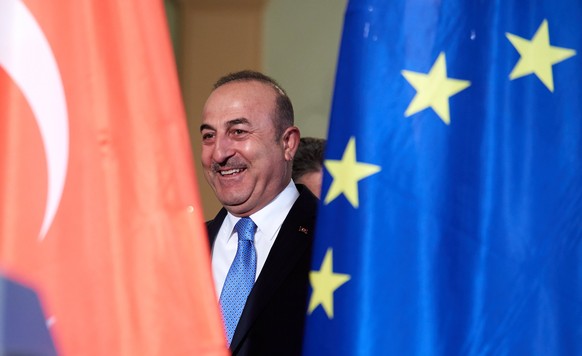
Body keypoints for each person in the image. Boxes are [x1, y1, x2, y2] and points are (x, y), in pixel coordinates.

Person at [200, 70, 318, 356]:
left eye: (238, 132)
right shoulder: (180, 249)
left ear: (288, 143)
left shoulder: (336, 241)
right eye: (208, 136)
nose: (218, 153)